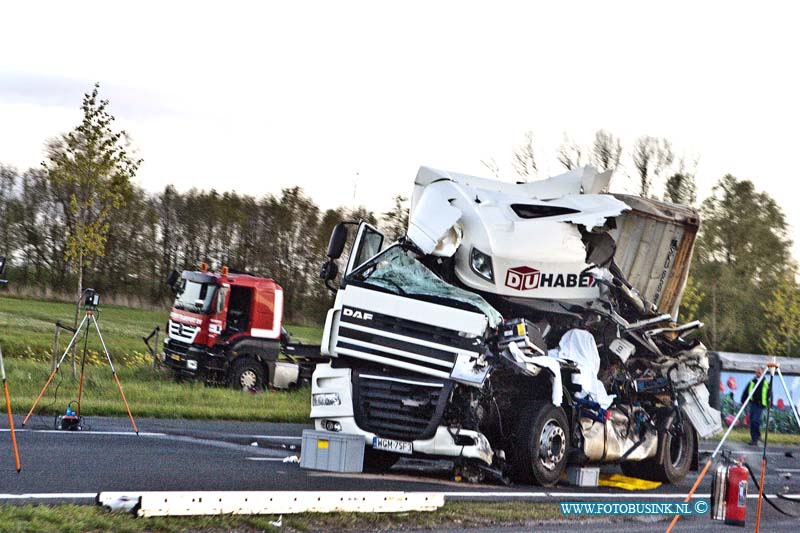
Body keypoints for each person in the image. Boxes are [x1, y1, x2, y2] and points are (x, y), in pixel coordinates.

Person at [740, 366, 771, 446]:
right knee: (752, 421)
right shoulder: (752, 382)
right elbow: (746, 392)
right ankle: (755, 438)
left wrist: (770, 405)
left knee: (755, 421)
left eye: (759, 372)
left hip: (760, 404)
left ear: (762, 373)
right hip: (753, 404)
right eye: (756, 372)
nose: (757, 374)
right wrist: (743, 401)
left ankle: (756, 437)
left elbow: (770, 394)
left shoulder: (765, 382)